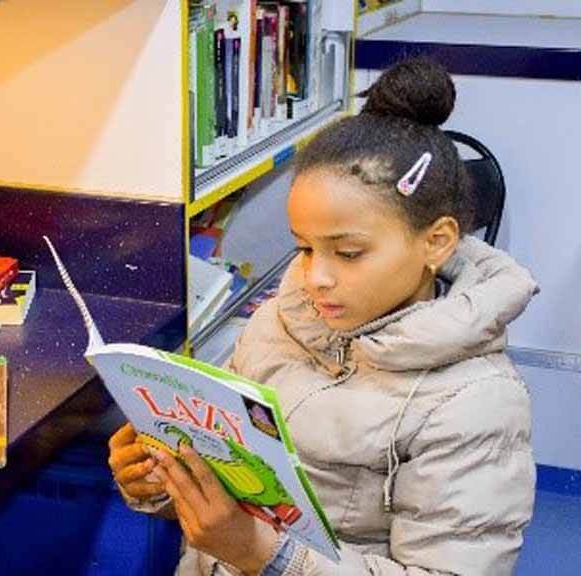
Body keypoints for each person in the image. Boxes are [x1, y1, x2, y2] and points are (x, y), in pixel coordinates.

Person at [108, 58, 538, 575]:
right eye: (305, 248)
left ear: (437, 242)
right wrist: (163, 481)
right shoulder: (277, 322)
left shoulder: (474, 402)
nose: (316, 277)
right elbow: (234, 485)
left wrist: (263, 554)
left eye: (349, 253)